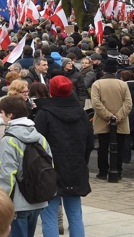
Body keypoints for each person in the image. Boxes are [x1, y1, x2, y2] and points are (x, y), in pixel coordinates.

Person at [34, 75, 93, 237]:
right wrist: (81, 161)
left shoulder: (44, 114)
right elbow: (89, 143)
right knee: (75, 215)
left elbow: (36, 145)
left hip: (50, 169)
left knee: (49, 215)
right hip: (76, 167)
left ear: (51, 91)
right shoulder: (81, 114)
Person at [0, 95, 51, 236]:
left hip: (17, 205)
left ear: (10, 114)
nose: (1, 117)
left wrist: (2, 203)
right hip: (38, 201)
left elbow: (6, 175)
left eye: (2, 112)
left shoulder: (9, 140)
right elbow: (50, 164)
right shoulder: (40, 137)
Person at [91, 59, 133, 179]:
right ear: (116, 72)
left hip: (102, 121)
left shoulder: (97, 84)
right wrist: (117, 117)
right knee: (119, 148)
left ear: (104, 71)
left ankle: (103, 172)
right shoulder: (123, 85)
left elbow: (96, 103)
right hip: (121, 122)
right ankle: (118, 171)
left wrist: (109, 116)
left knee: (103, 148)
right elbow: (128, 103)